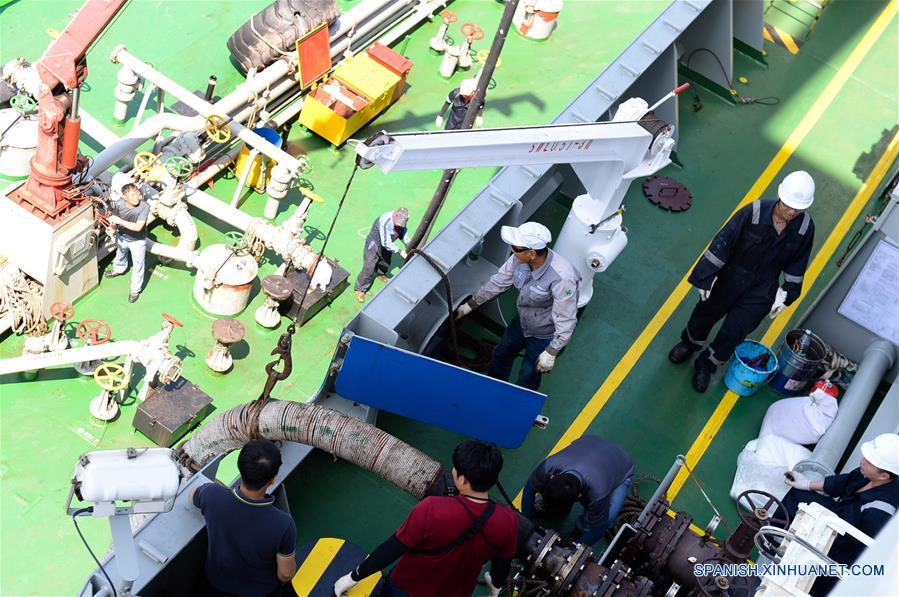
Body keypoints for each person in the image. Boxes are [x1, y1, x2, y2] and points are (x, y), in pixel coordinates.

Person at [668, 170, 816, 392]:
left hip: (763, 288)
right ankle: (689, 344)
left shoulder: (805, 228)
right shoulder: (754, 212)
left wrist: (786, 294)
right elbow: (723, 241)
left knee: (736, 330)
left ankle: (707, 364)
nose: (792, 212)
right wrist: (708, 276)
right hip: (731, 276)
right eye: (788, 205)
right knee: (705, 314)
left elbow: (798, 264)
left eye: (798, 208)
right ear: (779, 195)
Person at [334, 440, 518, 597]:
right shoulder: (508, 521)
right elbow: (501, 567)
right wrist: (495, 587)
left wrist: (353, 577)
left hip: (407, 589)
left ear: (462, 480)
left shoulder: (431, 509)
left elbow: (391, 549)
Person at [455, 222, 580, 390]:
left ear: (531, 253)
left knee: (529, 373)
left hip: (545, 336)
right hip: (522, 323)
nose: (512, 251)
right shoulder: (518, 259)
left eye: (515, 248)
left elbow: (566, 319)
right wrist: (470, 305)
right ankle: (493, 388)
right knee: (500, 354)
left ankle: (517, 400)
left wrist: (551, 351)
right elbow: (499, 282)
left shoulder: (563, 278)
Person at [780, 433, 898, 595]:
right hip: (838, 516)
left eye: (869, 461)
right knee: (797, 496)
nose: (862, 460)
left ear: (884, 475)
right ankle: (777, 543)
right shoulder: (869, 473)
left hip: (840, 549)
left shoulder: (880, 513)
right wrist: (806, 484)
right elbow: (843, 482)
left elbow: (857, 550)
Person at [190, 439, 297, 597]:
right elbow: (285, 574)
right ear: (273, 479)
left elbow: (192, 493)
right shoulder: (284, 524)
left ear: (240, 468)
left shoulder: (212, 495)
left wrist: (220, 491)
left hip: (214, 585)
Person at [521, 435, 634, 546]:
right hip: (591, 443)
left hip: (623, 466)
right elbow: (528, 492)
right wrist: (527, 524)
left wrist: (575, 548)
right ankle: (559, 508)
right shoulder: (548, 467)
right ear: (552, 477)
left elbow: (599, 529)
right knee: (542, 485)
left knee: (608, 517)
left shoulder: (598, 493)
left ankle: (582, 527)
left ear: (580, 496)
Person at [104, 183, 151, 303]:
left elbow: (138, 227)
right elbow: (115, 222)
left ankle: (135, 290)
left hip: (137, 241)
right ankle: (118, 269)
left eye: (137, 194)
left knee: (138, 265)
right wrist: (113, 228)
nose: (137, 197)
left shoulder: (144, 207)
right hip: (122, 237)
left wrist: (119, 221)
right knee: (120, 253)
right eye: (133, 195)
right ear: (125, 197)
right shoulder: (119, 204)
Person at [355, 207, 411, 303]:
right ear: (395, 215)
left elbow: (403, 235)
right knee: (369, 266)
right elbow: (386, 243)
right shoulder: (385, 221)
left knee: (386, 260)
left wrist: (409, 245)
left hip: (388, 243)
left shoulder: (402, 222)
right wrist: (400, 251)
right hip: (375, 243)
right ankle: (360, 288)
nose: (399, 225)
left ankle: (380, 273)